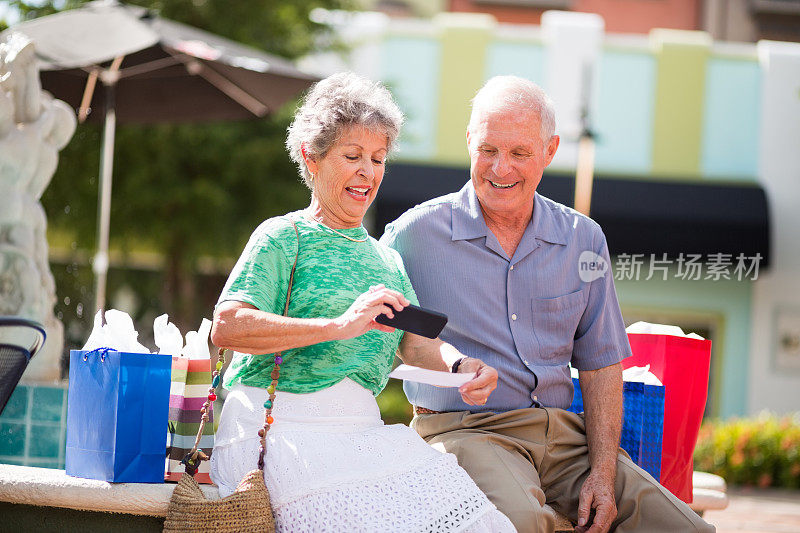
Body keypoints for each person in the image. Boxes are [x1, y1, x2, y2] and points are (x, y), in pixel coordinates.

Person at [381, 75, 715, 533]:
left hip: (566, 438)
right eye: (488, 150)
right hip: (468, 430)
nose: (501, 168)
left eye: (519, 153)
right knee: (524, 523)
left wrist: (601, 471)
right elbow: (393, 340)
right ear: (469, 142)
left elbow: (600, 365)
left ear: (550, 150)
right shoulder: (412, 236)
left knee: (686, 528)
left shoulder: (582, 239)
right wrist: (452, 368)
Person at [209, 72, 516, 532]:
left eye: (377, 158)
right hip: (278, 426)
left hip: (360, 432)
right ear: (311, 159)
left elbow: (415, 346)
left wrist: (459, 367)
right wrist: (337, 325)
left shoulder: (387, 259)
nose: (368, 172)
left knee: (477, 523)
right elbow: (229, 326)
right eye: (352, 156)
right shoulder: (282, 236)